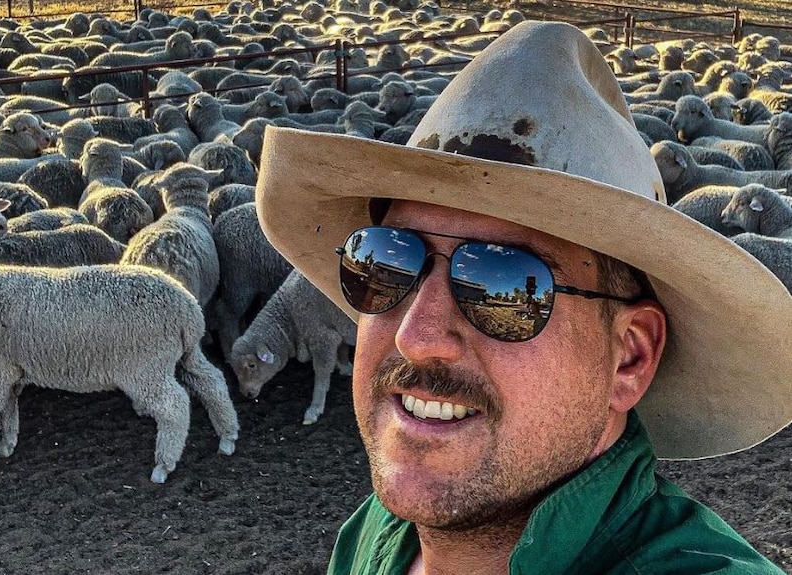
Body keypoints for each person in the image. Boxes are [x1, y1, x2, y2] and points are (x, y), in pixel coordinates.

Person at [254, 21, 791, 575]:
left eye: (502, 286)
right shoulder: (376, 535)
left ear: (629, 356)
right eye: (386, 264)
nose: (416, 337)